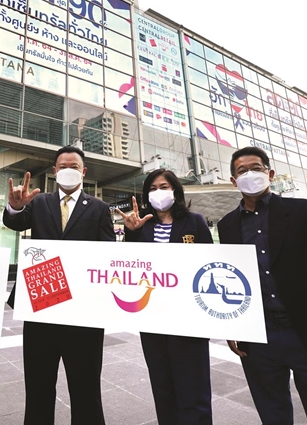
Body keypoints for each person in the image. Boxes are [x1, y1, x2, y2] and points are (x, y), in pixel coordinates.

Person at [218, 147, 307, 425]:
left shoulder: (300, 209)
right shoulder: (227, 225)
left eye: (257, 168)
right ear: (233, 181)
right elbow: (230, 276)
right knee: (272, 413)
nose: (250, 174)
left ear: (270, 174)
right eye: (242, 171)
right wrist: (232, 325)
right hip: (258, 337)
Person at [4, 145, 116, 425]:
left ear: (84, 172)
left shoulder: (100, 208)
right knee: (39, 385)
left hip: (84, 312)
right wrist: (16, 207)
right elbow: (14, 223)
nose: (68, 171)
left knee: (86, 387)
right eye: (63, 166)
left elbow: (108, 255)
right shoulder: (39, 202)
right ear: (55, 171)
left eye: (74, 167)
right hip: (41, 305)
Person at [117, 168, 214, 425]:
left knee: (194, 389)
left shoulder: (195, 221)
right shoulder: (141, 224)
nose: (158, 192)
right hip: (153, 319)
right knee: (162, 386)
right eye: (152, 188)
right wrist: (132, 233)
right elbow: (129, 269)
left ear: (175, 191)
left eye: (164, 186)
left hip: (189, 319)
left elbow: (209, 264)